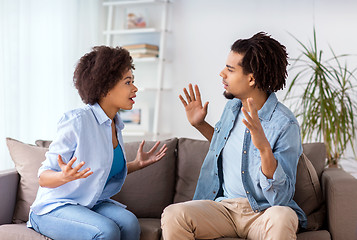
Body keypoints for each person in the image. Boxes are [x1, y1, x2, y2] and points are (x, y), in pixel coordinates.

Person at [161, 32, 307, 240]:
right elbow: (227, 146)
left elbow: (282, 198)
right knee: (174, 214)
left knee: (283, 216)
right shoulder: (232, 108)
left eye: (230, 70)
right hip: (225, 210)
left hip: (263, 212)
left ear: (251, 78)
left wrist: (264, 148)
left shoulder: (285, 124)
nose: (222, 74)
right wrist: (200, 124)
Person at [28, 46, 167, 240]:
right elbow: (43, 177)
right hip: (55, 206)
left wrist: (136, 165)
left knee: (130, 223)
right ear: (105, 88)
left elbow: (101, 170)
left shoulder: (115, 123)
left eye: (133, 82)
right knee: (107, 231)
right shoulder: (77, 121)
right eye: (128, 82)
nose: (135, 88)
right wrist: (64, 177)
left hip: (90, 202)